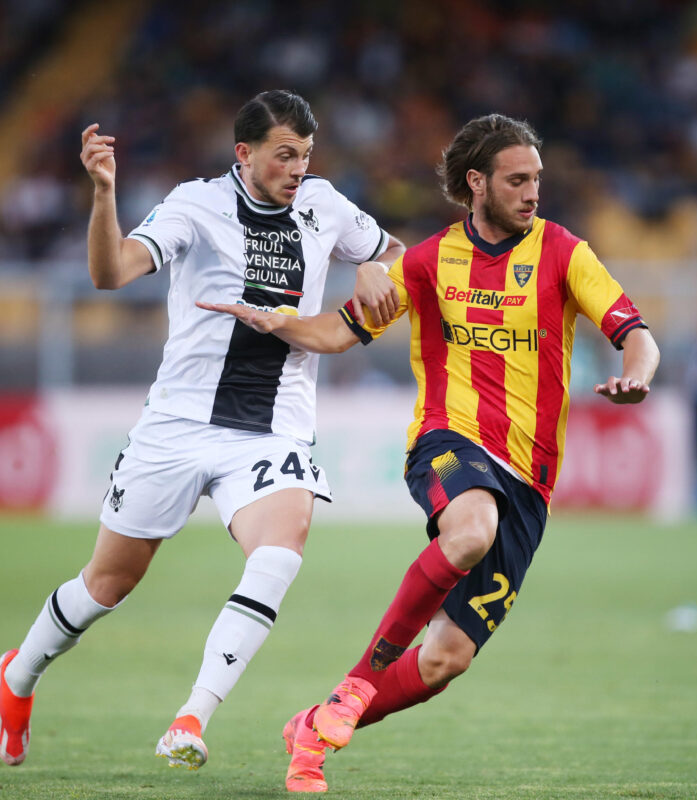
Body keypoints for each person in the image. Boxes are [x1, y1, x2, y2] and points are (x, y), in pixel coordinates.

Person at [197, 112, 661, 793]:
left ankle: (316, 724)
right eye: (517, 179)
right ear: (477, 182)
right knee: (471, 529)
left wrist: (638, 375)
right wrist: (280, 323)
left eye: (537, 179)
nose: (533, 192)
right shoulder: (426, 262)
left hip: (529, 480)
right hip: (450, 440)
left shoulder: (565, 253)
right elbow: (340, 333)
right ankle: (358, 682)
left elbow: (636, 332)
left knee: (445, 660)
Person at [0, 89, 403, 770]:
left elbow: (394, 249)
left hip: (272, 429)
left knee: (280, 551)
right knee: (106, 585)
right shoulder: (195, 204)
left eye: (304, 154)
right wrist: (104, 193)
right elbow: (110, 272)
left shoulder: (325, 205)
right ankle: (16, 678)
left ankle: (192, 716)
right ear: (244, 154)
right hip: (177, 425)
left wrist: (376, 262)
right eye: (283, 155)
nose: (297, 167)